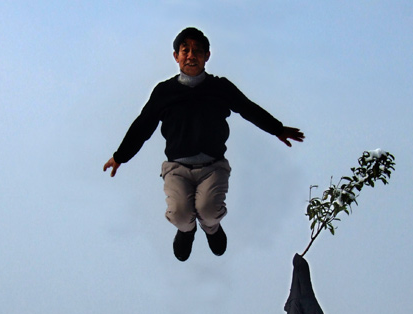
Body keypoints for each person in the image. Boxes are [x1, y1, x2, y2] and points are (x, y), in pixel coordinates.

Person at [103, 27, 304, 261]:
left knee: (208, 210)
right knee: (180, 213)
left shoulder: (219, 88)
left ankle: (211, 228)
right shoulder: (164, 92)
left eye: (197, 51)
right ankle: (186, 230)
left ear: (207, 56)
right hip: (177, 168)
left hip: (213, 167)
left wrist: (276, 128)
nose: (191, 55)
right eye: (185, 50)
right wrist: (120, 156)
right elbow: (143, 126)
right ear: (176, 56)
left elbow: (247, 108)